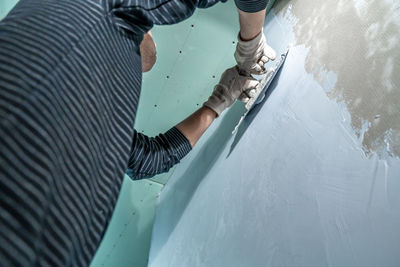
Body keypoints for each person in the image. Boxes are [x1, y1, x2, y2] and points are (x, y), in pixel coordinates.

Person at [0, 0, 275, 266]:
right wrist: (250, 48)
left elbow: (145, 161)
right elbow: (147, 161)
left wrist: (220, 99)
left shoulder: (81, 95)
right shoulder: (84, 11)